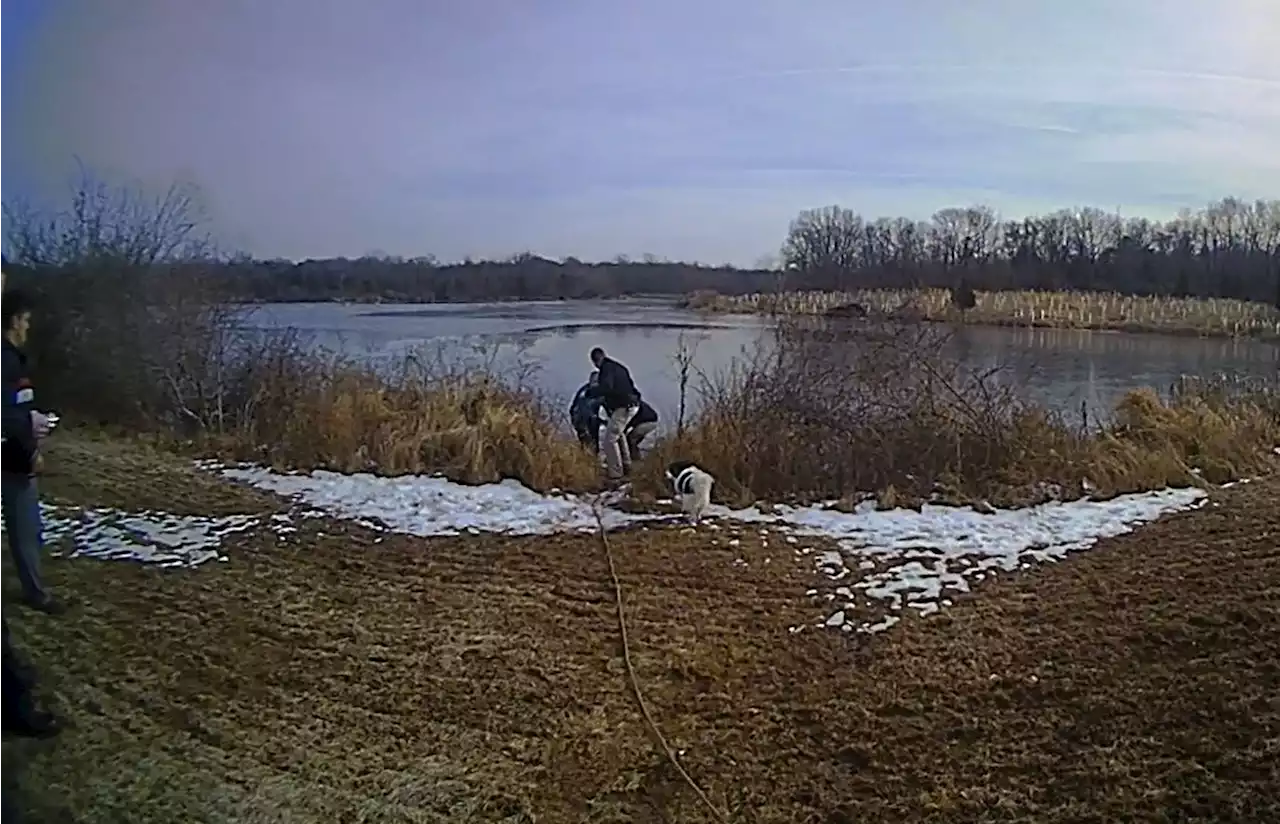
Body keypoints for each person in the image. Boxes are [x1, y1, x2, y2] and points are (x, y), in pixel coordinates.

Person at [0, 290, 60, 615]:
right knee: (26, 529)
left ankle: (35, 589)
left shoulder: (13, 358)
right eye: (25, 321)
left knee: (27, 527)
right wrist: (29, 428)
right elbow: (7, 412)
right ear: (13, 321)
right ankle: (36, 594)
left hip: (16, 450)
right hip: (10, 454)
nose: (28, 328)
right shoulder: (5, 359)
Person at [586, 346, 640, 480]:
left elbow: (606, 387)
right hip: (632, 404)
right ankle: (627, 466)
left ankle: (616, 474)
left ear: (595, 361)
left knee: (609, 440)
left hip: (624, 406)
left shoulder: (606, 369)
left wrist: (592, 392)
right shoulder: (619, 367)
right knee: (619, 434)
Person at [568, 370, 604, 452]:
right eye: (594, 380)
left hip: (594, 424)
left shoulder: (600, 391)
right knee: (588, 446)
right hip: (584, 423)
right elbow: (574, 409)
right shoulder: (585, 391)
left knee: (594, 447)